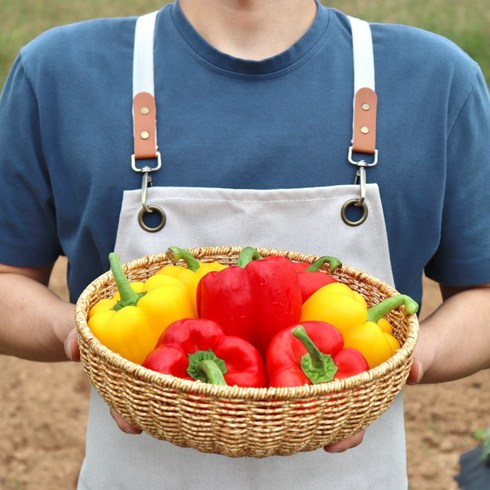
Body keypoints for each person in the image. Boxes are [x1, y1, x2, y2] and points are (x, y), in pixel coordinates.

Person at [1, 0, 489, 488]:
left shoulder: (435, 81)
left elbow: (482, 294)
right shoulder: (60, 75)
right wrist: (79, 337)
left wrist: (409, 360)